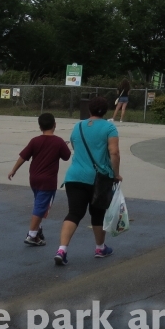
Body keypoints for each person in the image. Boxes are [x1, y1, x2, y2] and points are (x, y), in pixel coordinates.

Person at [55, 96, 120, 266]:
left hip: (74, 176)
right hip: (98, 178)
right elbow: (114, 152)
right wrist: (116, 173)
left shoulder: (78, 126)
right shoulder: (109, 127)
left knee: (74, 213)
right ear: (105, 111)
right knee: (97, 213)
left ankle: (62, 249)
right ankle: (100, 248)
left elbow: (76, 147)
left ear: (89, 110)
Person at [8, 112, 71, 247]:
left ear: (40, 127)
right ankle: (31, 234)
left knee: (39, 203)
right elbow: (66, 156)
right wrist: (64, 146)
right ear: (55, 125)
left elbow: (23, 156)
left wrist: (14, 169)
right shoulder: (58, 141)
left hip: (34, 178)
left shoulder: (35, 140)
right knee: (41, 206)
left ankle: (37, 231)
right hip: (48, 181)